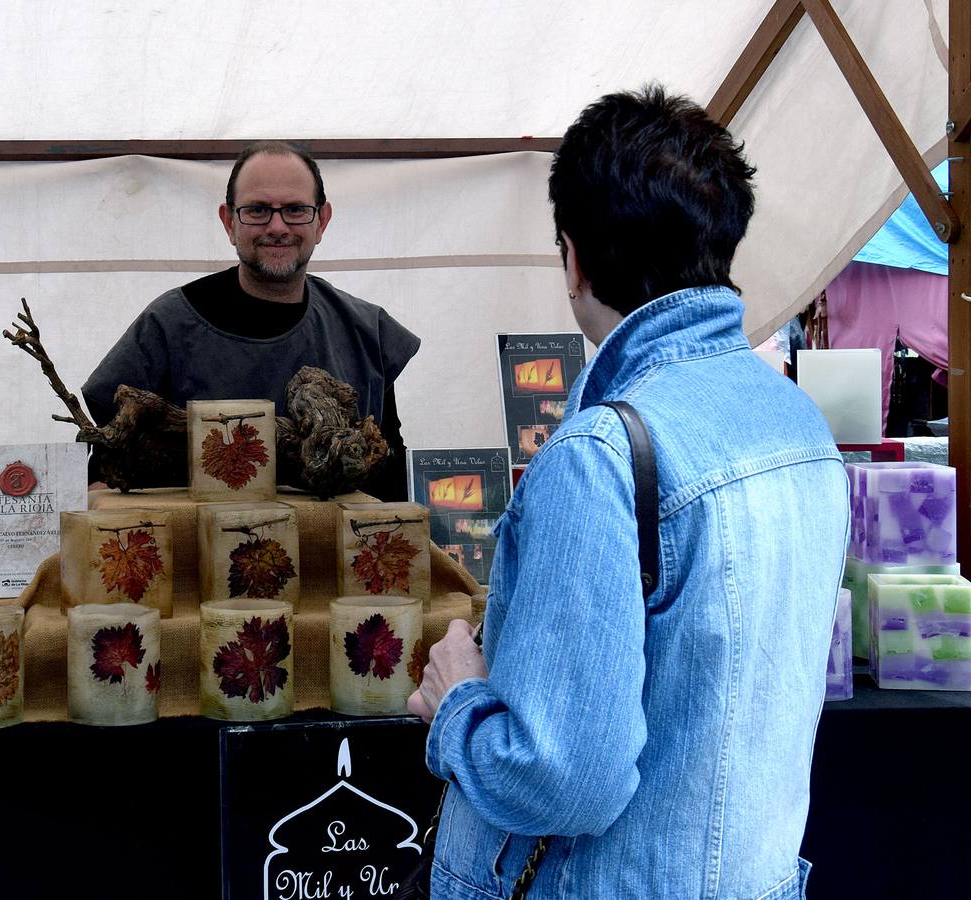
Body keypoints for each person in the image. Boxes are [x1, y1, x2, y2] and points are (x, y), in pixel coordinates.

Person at [407, 87, 848, 898]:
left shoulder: (597, 454)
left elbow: (564, 780)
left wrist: (456, 704)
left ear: (571, 258)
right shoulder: (797, 423)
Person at [81, 141, 420, 499]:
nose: (277, 226)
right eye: (257, 210)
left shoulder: (367, 333)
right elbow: (105, 475)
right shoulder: (166, 328)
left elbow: (389, 479)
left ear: (322, 221)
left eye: (295, 209)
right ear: (229, 222)